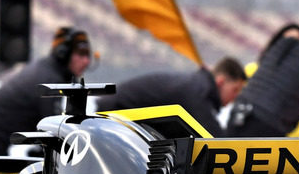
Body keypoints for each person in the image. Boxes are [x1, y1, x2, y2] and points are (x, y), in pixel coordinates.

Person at [0, 27, 93, 157]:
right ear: (63, 54)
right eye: (81, 55)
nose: (86, 61)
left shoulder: (47, 71)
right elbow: (55, 128)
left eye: (88, 56)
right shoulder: (49, 79)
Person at [96, 57, 247, 137]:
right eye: (235, 89)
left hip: (115, 108)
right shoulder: (199, 90)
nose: (235, 97)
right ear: (221, 82)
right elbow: (218, 142)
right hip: (115, 111)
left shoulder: (198, 84)